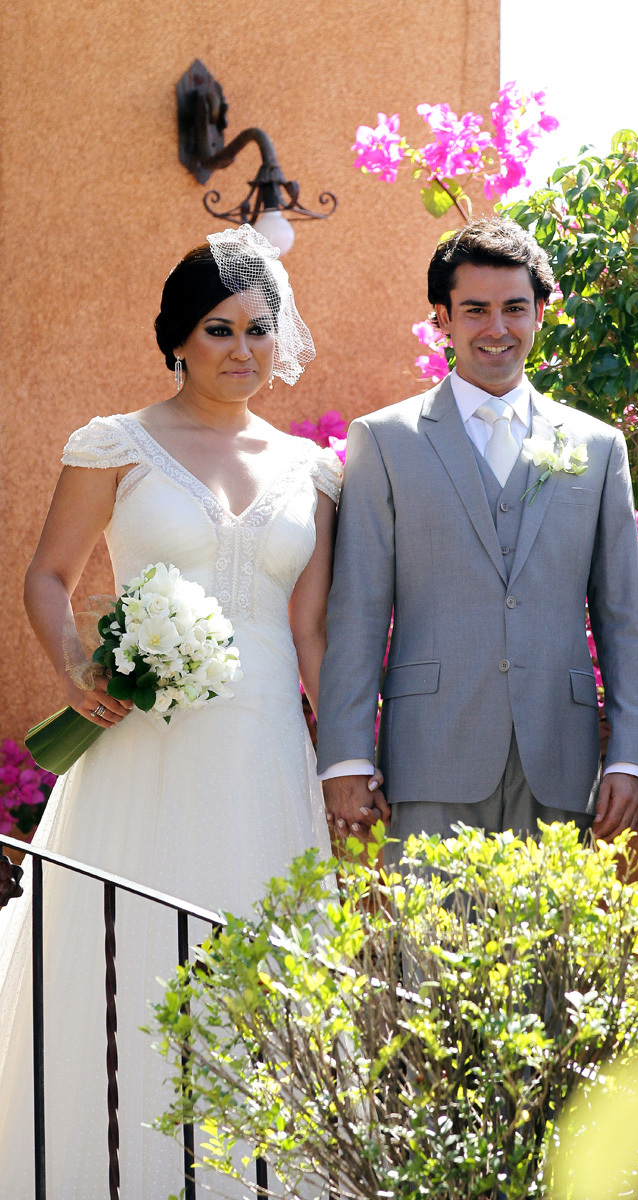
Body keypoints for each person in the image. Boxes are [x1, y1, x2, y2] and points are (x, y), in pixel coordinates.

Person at [0, 224, 361, 1197]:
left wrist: (346, 759)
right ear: (177, 338)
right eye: (218, 330)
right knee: (130, 963)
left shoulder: (312, 472)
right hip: (143, 754)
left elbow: (312, 631)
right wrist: (75, 668)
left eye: (258, 330)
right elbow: (47, 576)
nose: (242, 350)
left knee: (258, 961)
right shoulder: (113, 447)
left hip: (264, 756)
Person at [317, 217, 638, 863]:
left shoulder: (597, 447)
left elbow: (622, 614)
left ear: (539, 314)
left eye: (514, 308)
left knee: (553, 934)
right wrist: (345, 757)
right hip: (427, 758)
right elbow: (357, 610)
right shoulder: (384, 441)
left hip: (561, 764)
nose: (496, 328)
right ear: (443, 318)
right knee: (427, 933)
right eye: (475, 309)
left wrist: (632, 757)